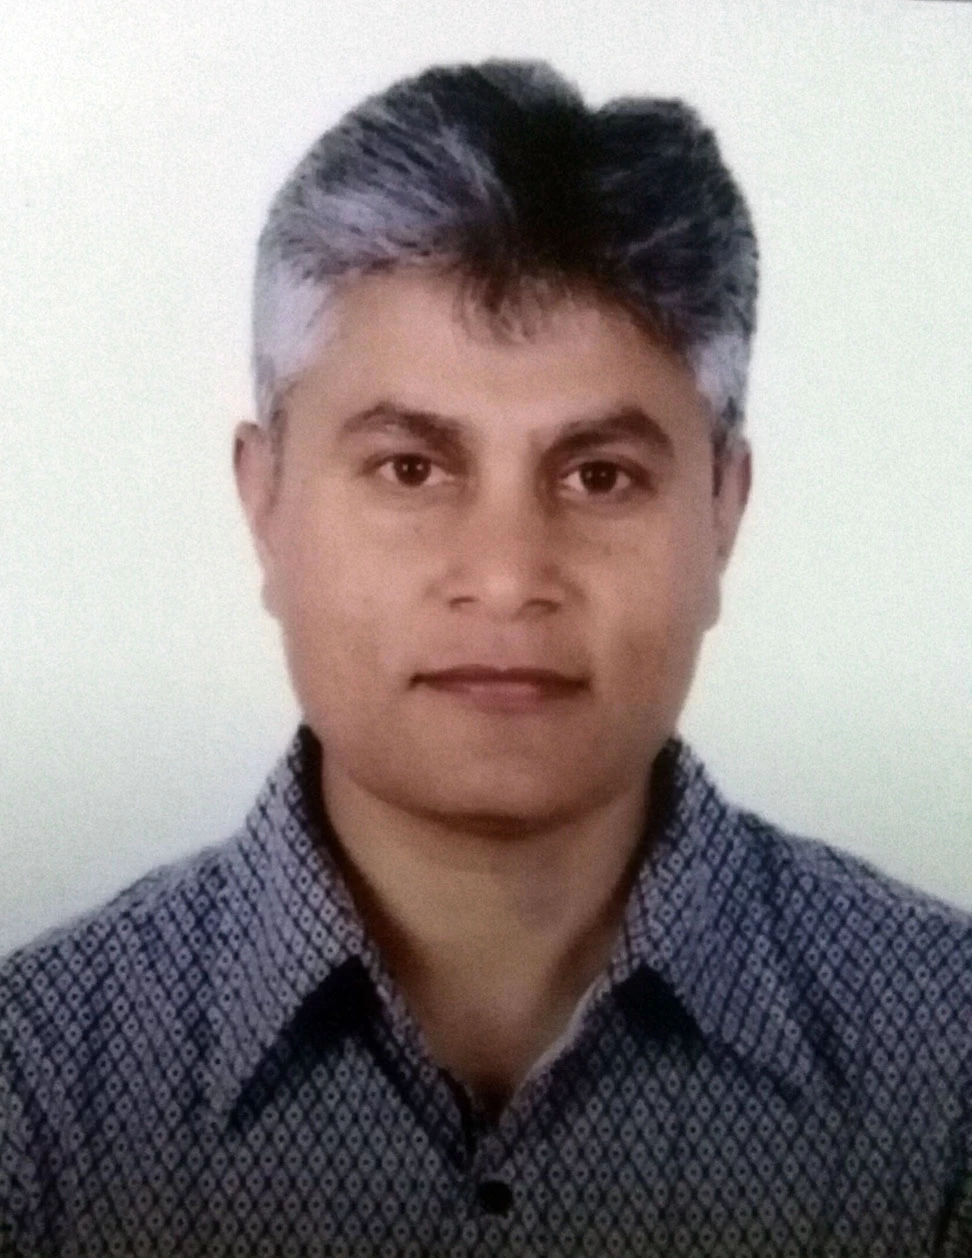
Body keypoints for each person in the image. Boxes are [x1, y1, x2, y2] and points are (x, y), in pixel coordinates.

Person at [1, 58, 969, 1258]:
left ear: (723, 511)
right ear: (265, 502)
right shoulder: (33, 1093)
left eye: (599, 475)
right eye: (411, 469)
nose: (508, 576)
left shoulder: (949, 1075)